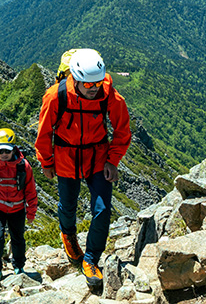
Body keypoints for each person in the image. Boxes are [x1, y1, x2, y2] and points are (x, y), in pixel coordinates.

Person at [34, 49, 131, 290]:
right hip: (66, 157)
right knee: (68, 206)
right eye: (88, 83)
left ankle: (91, 260)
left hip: (97, 156)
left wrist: (112, 160)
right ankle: (68, 237)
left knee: (102, 209)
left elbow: (123, 130)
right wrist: (46, 162)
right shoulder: (55, 97)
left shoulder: (109, 95)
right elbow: (44, 133)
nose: (94, 87)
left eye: (98, 82)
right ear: (75, 78)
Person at [0, 127, 38, 278]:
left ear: (13, 149)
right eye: (1, 151)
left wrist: (31, 212)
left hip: (17, 209)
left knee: (18, 238)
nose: (4, 154)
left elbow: (31, 191)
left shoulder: (24, 166)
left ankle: (19, 267)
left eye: (7, 151)